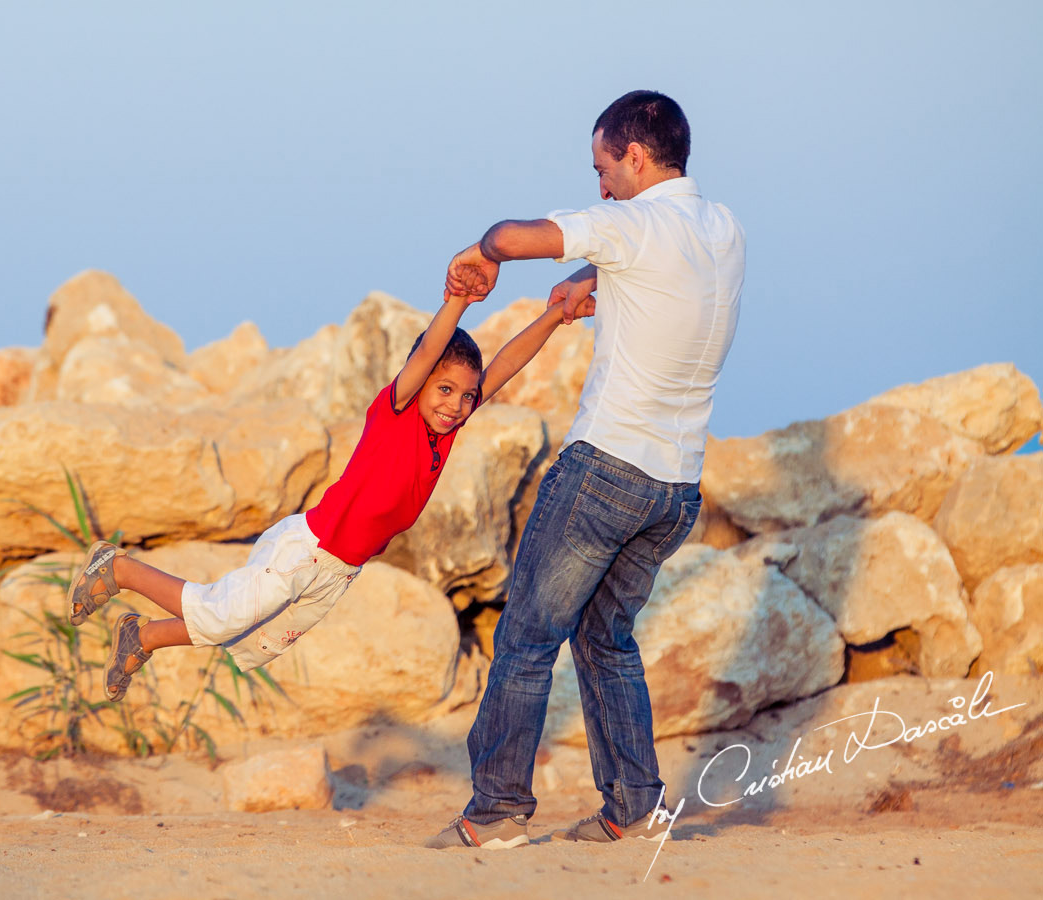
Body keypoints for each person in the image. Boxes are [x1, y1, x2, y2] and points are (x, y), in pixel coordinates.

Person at [426, 90, 746, 850]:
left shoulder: (627, 223)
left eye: (603, 166)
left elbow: (514, 235)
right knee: (607, 639)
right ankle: (633, 807)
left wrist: (481, 251)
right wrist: (592, 287)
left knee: (527, 639)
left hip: (605, 468)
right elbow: (675, 284)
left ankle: (497, 810)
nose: (600, 184)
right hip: (676, 488)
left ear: (633, 156)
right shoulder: (724, 228)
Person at [66, 290, 594, 700]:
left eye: (466, 396)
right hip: (307, 548)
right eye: (445, 390)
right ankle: (118, 570)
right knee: (225, 611)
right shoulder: (396, 413)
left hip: (338, 571)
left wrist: (554, 316)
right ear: (418, 383)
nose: (456, 405)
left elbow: (504, 365)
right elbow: (431, 350)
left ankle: (145, 637)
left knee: (251, 639)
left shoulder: (447, 431)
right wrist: (458, 301)